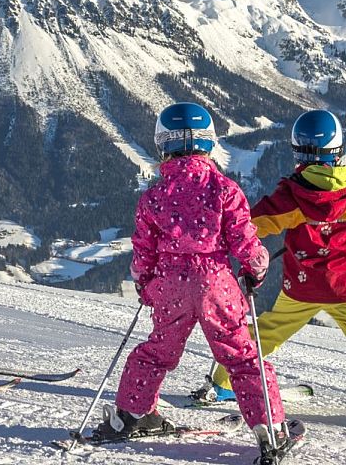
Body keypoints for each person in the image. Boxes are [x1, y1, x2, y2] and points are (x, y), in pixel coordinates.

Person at [199, 109, 346, 436]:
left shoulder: (289, 197)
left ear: (297, 150)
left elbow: (249, 225)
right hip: (345, 288)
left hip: (300, 287)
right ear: (337, 150)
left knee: (266, 332)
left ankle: (224, 382)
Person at [97, 101, 296, 456]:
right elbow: (245, 243)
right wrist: (255, 270)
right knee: (241, 355)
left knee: (158, 349)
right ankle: (269, 427)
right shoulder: (225, 189)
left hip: (170, 283)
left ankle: (132, 413)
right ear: (208, 142)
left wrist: (146, 283)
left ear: (163, 144)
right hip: (216, 282)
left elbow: (143, 251)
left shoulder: (154, 197)